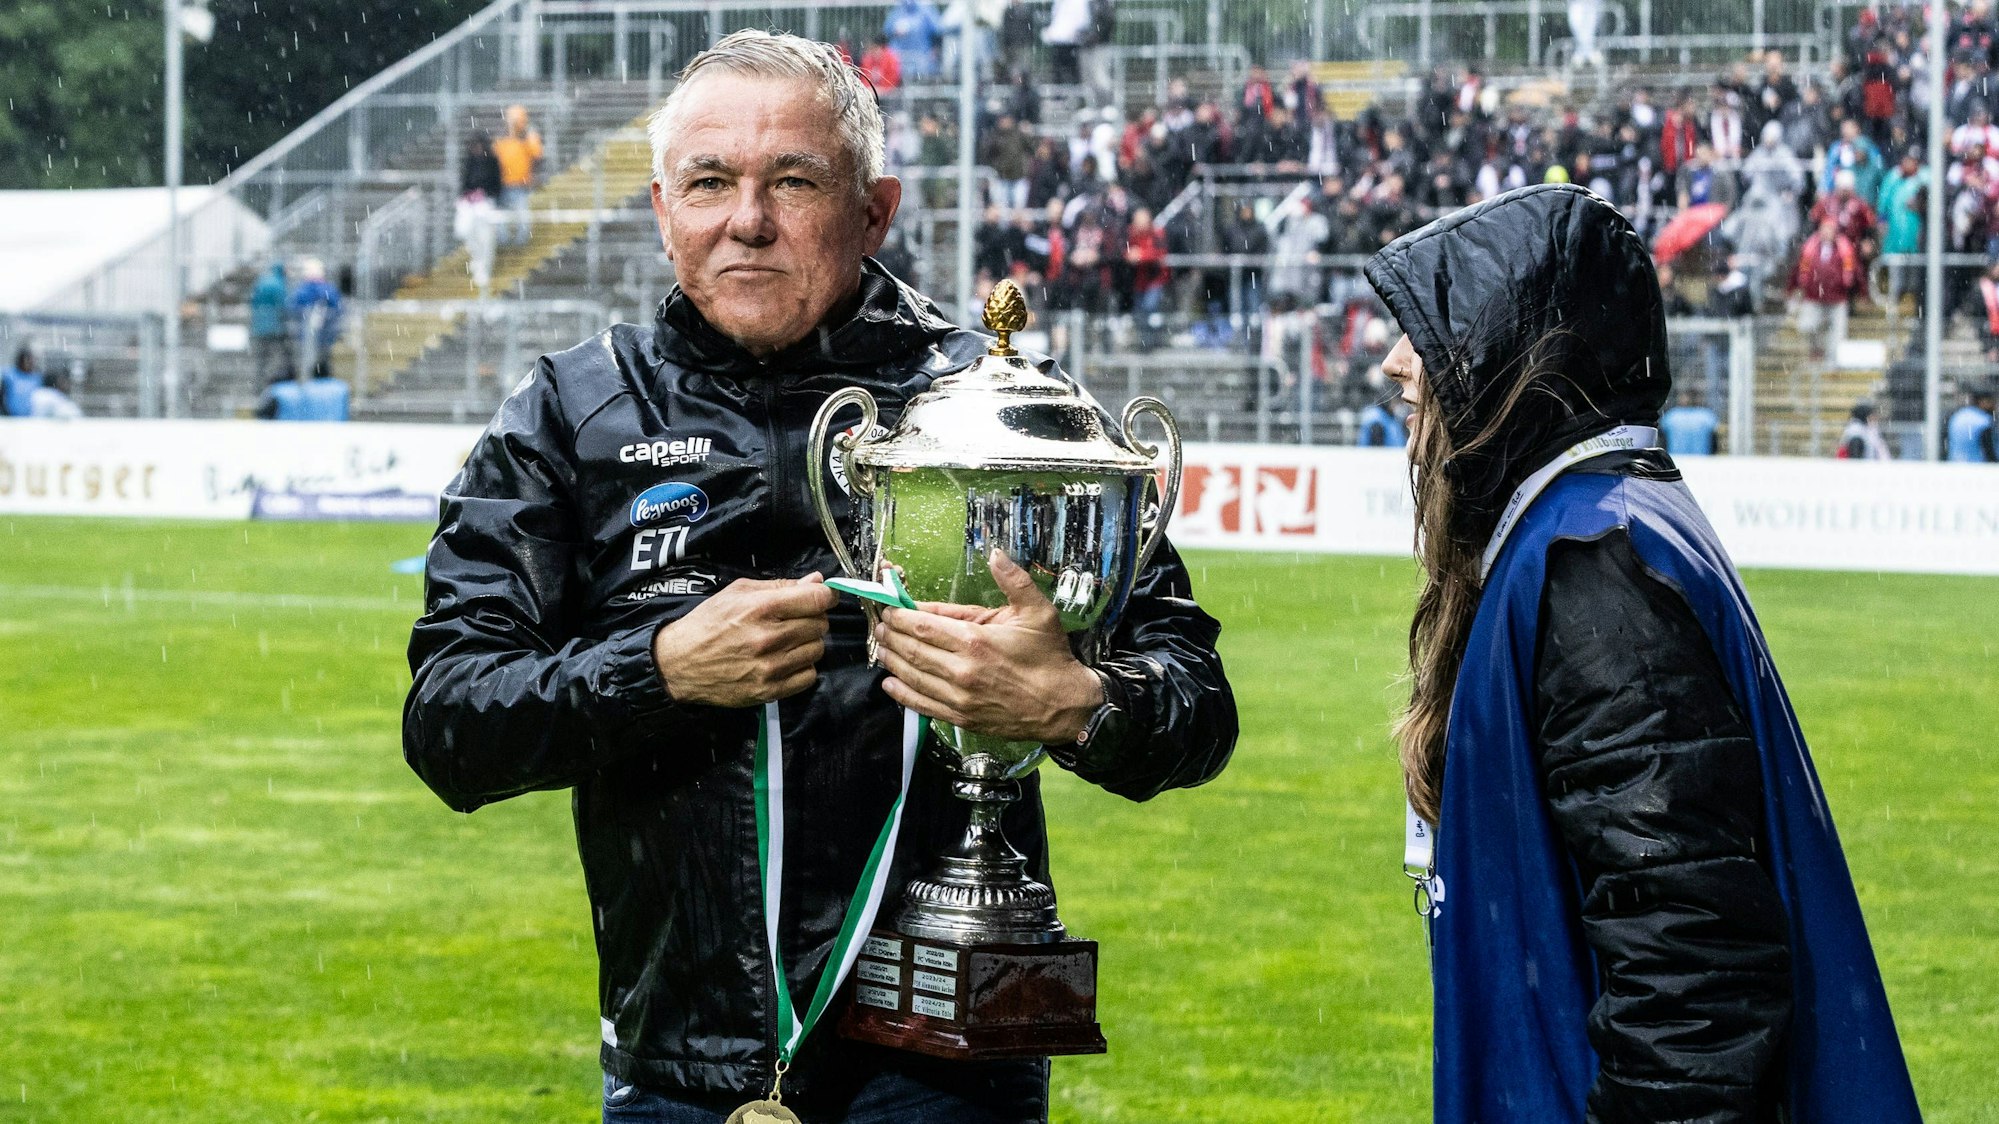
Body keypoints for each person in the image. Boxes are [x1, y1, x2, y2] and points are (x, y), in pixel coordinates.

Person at [401, 30, 1237, 1123]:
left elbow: (1196, 704)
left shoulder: (993, 412)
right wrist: (657, 669)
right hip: (676, 1073)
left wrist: (1074, 704)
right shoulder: (571, 413)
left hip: (943, 1066)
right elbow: (450, 722)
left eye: (792, 182)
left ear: (874, 210)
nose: (746, 220)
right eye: (709, 182)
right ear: (661, 210)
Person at [1364, 182, 1919, 1124]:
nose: (1394, 359)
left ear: (1516, 352)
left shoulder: (1594, 564)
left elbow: (1693, 988)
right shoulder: (1593, 526)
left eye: (1429, 326)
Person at [1787, 216, 1862, 364]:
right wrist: (1792, 288)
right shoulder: (1810, 247)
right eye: (1824, 228)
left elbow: (1854, 271)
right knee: (1807, 326)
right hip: (1814, 296)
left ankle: (1832, 363)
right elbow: (1798, 269)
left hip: (1837, 297)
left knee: (1838, 334)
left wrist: (1860, 291)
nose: (1827, 232)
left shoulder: (1843, 248)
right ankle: (1817, 349)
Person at [457, 131, 503, 297]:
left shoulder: (492, 161)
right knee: (466, 232)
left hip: (486, 203)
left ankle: (484, 268)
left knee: (486, 238)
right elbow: (465, 182)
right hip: (470, 204)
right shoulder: (469, 161)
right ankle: (477, 261)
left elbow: (496, 183)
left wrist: (485, 194)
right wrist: (467, 195)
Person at [492, 104, 544, 247]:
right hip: (502, 184)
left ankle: (521, 241)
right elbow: (494, 159)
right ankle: (503, 241)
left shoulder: (527, 138)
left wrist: (528, 137)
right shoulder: (501, 139)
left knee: (522, 214)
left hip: (519, 184)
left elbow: (537, 155)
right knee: (500, 215)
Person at [286, 257, 345, 380]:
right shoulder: (328, 290)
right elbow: (339, 309)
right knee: (323, 364)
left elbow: (292, 309)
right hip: (326, 337)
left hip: (305, 337)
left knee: (306, 365)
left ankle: (307, 382)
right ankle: (322, 383)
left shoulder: (302, 291)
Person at [249, 261, 290, 382]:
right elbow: (283, 305)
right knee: (280, 357)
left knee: (261, 360)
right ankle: (274, 382)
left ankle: (259, 383)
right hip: (276, 327)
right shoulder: (279, 284)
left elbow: (252, 301)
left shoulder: (261, 281)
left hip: (259, 327)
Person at [1659, 388, 1720, 454]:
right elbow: (1714, 443)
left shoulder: (1671, 416)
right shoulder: (1707, 416)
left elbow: (1662, 441)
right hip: (1702, 459)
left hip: (1674, 458)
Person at [1947, 387, 1998, 461]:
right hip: (1977, 465)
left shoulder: (1958, 416)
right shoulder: (1983, 421)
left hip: (1955, 463)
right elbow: (1988, 450)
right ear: (1982, 401)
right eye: (1991, 401)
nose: (1993, 405)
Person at [1, 346, 44, 417]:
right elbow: (3, 395)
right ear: (21, 360)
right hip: (10, 417)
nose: (30, 363)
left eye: (32, 360)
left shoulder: (37, 377)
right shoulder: (10, 375)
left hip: (31, 418)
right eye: (27, 360)